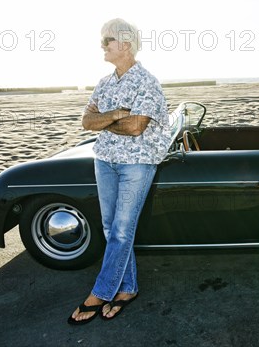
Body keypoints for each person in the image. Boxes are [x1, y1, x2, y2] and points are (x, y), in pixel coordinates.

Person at [68, 18, 170, 325]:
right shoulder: (104, 82)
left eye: (106, 41)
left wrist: (106, 121)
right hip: (105, 160)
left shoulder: (147, 82)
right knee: (111, 228)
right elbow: (87, 121)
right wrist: (115, 114)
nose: (102, 46)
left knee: (123, 230)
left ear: (125, 44)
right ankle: (127, 288)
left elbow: (137, 127)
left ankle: (101, 291)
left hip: (137, 163)